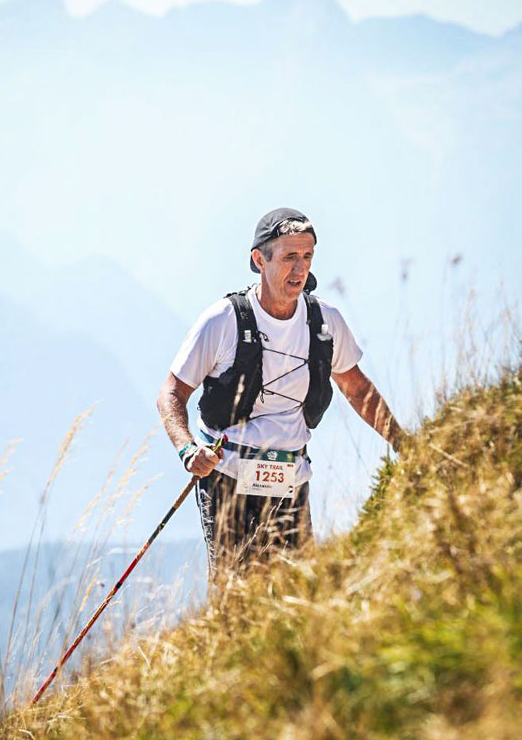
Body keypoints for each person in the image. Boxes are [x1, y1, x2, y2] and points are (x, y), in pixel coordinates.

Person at [157, 207, 404, 576]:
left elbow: (356, 389)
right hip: (227, 477)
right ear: (259, 260)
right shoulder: (222, 320)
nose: (300, 269)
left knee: (296, 596)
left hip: (290, 477)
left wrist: (403, 443)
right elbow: (171, 394)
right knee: (235, 596)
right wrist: (188, 449)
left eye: (307, 257)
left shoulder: (325, 321)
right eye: (290, 257)